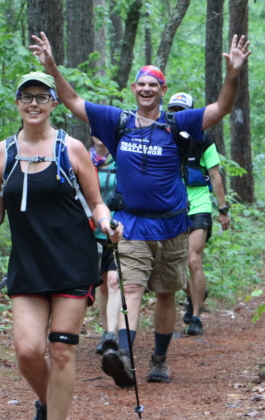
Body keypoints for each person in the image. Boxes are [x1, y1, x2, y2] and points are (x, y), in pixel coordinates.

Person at [28, 32, 251, 386]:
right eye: (141, 84)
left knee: (165, 293)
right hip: (132, 224)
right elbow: (72, 101)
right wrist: (51, 66)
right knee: (129, 288)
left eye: (154, 84)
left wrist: (233, 74)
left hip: (173, 226)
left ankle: (159, 359)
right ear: (133, 88)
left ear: (163, 91)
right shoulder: (118, 123)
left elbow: (221, 108)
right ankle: (124, 360)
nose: (147, 89)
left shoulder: (179, 124)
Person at [0, 71, 122, 420]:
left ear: (53, 104)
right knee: (28, 351)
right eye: (27, 97)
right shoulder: (3, 153)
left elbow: (96, 203)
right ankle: (50, 403)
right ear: (17, 103)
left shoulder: (71, 149)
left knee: (61, 350)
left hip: (72, 261)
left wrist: (106, 223)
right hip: (28, 264)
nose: (33, 103)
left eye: (41, 97)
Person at [167, 92, 230, 336]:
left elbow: (214, 174)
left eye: (183, 110)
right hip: (172, 207)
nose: (178, 115)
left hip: (199, 204)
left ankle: (195, 316)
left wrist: (223, 209)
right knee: (178, 264)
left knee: (194, 260)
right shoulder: (164, 139)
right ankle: (193, 295)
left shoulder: (204, 139)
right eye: (173, 110)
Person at [91, 136, 122, 354]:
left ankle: (113, 333)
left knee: (114, 280)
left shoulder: (120, 158)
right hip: (91, 230)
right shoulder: (84, 160)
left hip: (118, 228)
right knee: (101, 284)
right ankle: (105, 331)